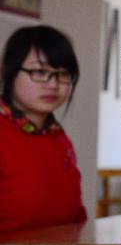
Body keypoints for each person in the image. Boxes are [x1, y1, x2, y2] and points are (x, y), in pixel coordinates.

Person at [0, 25, 85, 234]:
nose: (53, 84)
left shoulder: (59, 138)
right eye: (39, 71)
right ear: (7, 71)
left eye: (62, 74)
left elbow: (75, 217)